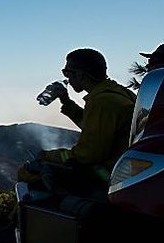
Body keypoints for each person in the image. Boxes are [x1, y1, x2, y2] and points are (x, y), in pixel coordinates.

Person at [18, 48, 136, 196]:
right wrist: (65, 101)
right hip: (126, 168)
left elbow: (86, 155)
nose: (67, 79)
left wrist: (47, 156)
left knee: (27, 173)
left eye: (67, 73)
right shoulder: (119, 93)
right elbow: (95, 126)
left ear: (79, 74)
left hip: (109, 175)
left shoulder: (102, 102)